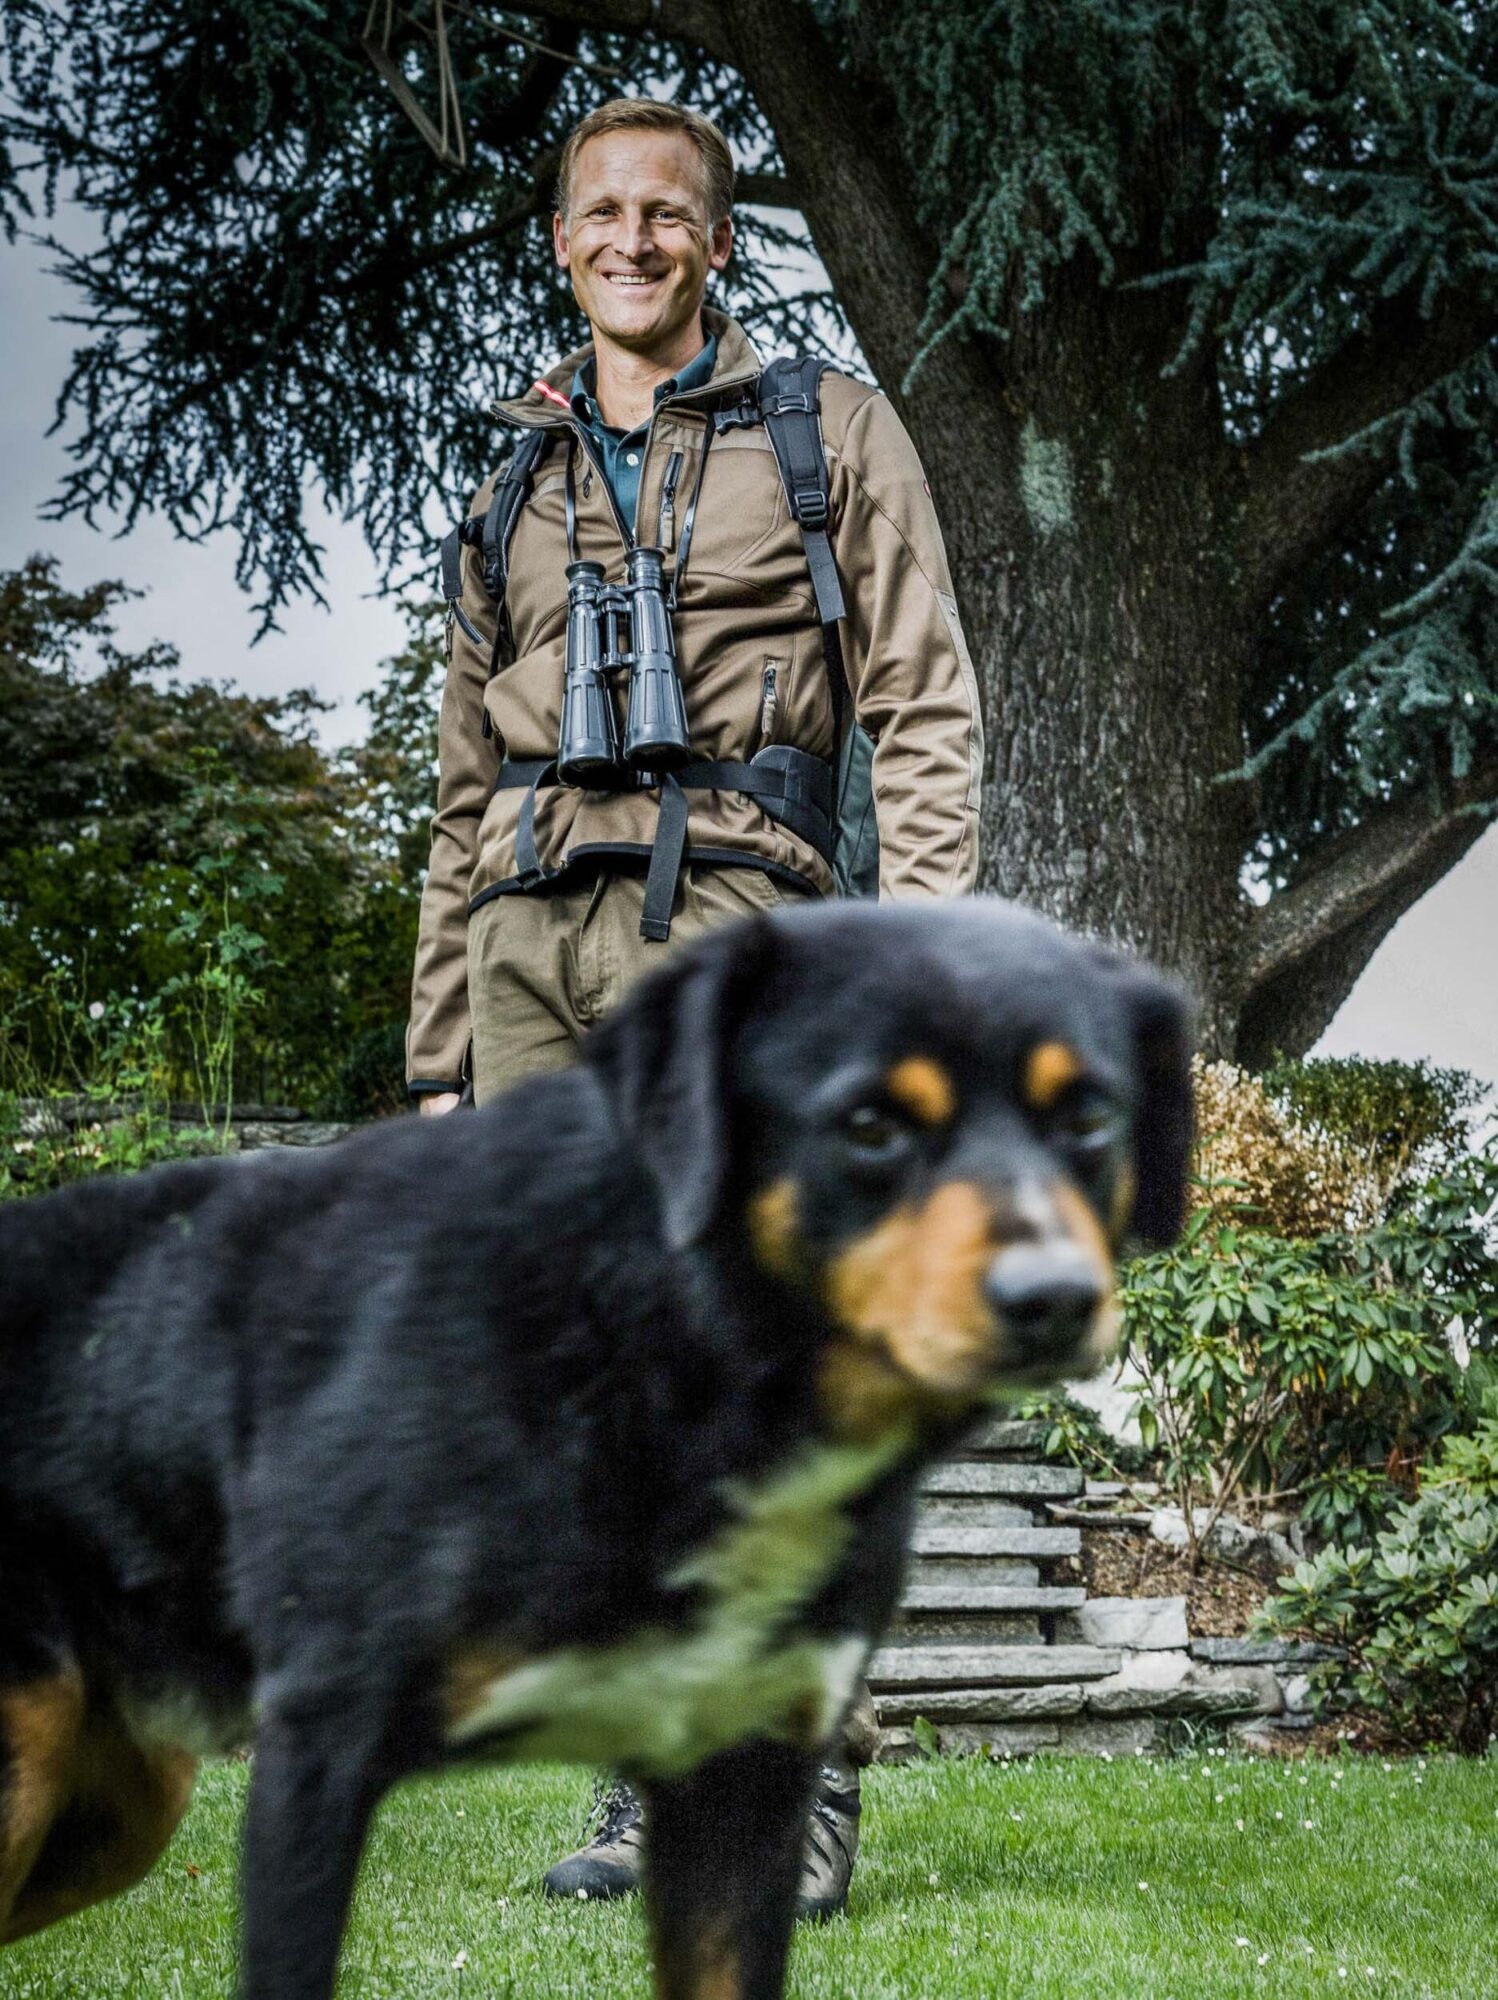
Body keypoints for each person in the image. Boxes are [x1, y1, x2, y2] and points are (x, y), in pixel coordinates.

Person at [406, 96, 982, 1919]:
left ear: (715, 241)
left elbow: (925, 707)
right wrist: (437, 1063)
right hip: (525, 954)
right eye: (603, 214)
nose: (634, 238)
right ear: (560, 240)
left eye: (671, 214)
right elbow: (451, 800)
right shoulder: (507, 472)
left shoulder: (827, 431)